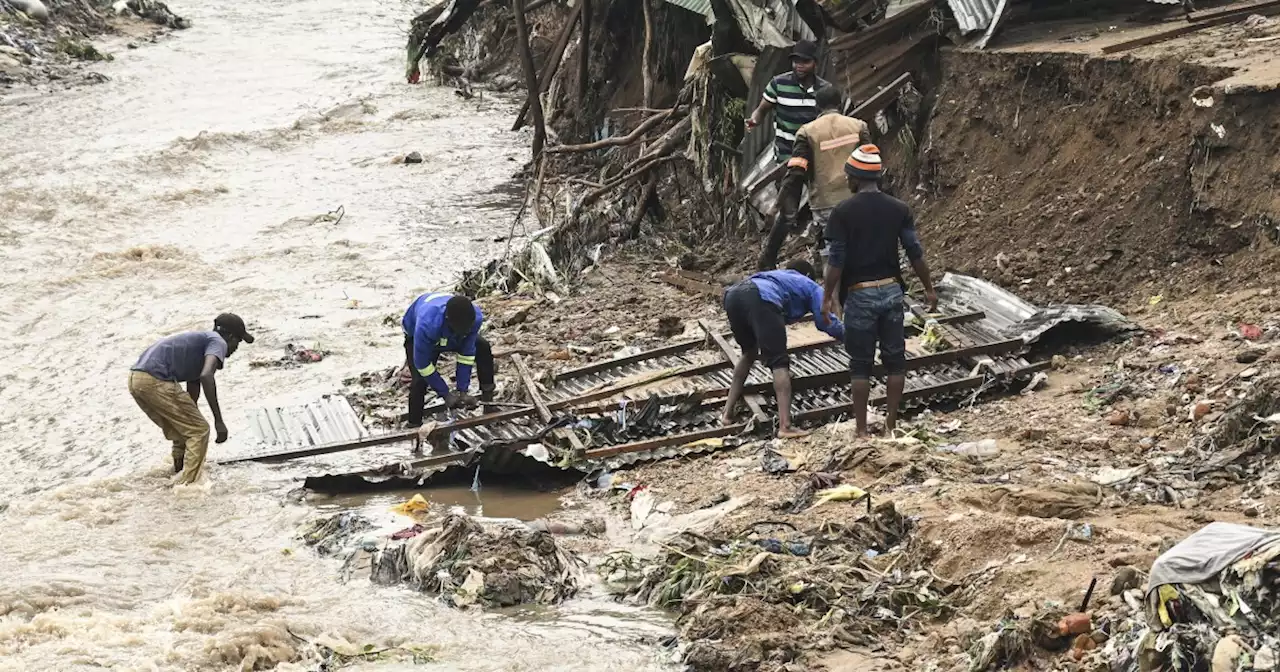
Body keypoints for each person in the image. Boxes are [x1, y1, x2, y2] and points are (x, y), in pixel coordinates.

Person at [821, 144, 936, 437]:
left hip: (860, 294)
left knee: (860, 365)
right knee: (895, 360)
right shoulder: (899, 209)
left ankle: (861, 430)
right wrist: (929, 289)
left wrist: (827, 297)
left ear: (854, 178)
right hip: (892, 292)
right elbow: (915, 252)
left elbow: (836, 261)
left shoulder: (842, 212)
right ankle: (890, 426)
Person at [721, 260, 845, 439]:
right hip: (761, 298)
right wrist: (851, 336)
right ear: (808, 275)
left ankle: (727, 414)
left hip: (733, 296)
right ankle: (785, 426)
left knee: (748, 353)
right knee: (779, 362)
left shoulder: (777, 276)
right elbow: (825, 321)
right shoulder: (810, 284)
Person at [129, 313, 254, 484]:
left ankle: (178, 471)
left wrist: (191, 412)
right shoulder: (218, 342)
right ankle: (188, 485)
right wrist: (219, 421)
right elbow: (206, 376)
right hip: (156, 379)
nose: (235, 348)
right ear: (230, 336)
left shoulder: (201, 342)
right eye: (238, 342)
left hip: (137, 379)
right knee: (199, 431)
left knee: (185, 429)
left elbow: (194, 383)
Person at [760, 84, 870, 270]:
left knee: (835, 251)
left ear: (817, 107)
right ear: (840, 103)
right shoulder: (858, 126)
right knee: (861, 245)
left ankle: (835, 293)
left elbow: (796, 173)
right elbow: (870, 163)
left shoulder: (806, 132)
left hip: (825, 201)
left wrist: (776, 206)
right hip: (858, 198)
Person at [400, 292, 496, 427]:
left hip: (451, 334)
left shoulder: (476, 319)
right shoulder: (427, 324)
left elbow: (466, 355)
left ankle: (489, 403)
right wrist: (445, 394)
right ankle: (414, 425)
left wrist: (462, 391)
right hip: (421, 334)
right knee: (419, 381)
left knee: (483, 347)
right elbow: (423, 365)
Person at [745, 40, 829, 163]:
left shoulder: (825, 90)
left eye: (805, 61)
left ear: (815, 63)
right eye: (796, 61)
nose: (799, 65)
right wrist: (754, 120)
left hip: (814, 160)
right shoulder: (778, 84)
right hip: (785, 160)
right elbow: (762, 110)